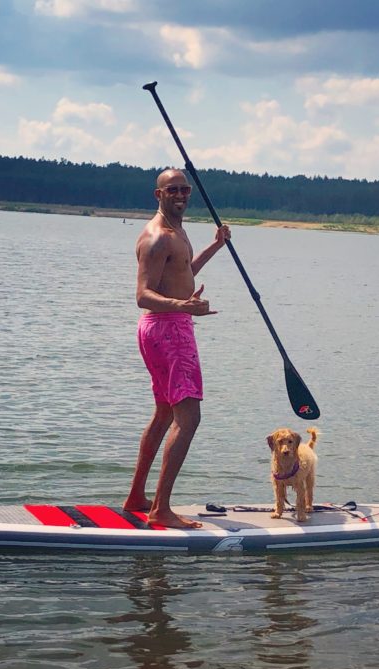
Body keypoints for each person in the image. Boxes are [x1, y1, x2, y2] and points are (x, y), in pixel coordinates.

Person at [122, 169, 231, 528]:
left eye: (185, 189)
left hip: (170, 326)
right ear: (158, 194)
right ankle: (161, 510)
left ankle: (137, 496)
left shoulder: (178, 232)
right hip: (167, 330)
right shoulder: (157, 237)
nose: (181, 195)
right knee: (188, 418)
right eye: (173, 190)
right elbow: (142, 296)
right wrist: (184, 307)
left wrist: (216, 245)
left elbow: (185, 272)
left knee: (165, 414)